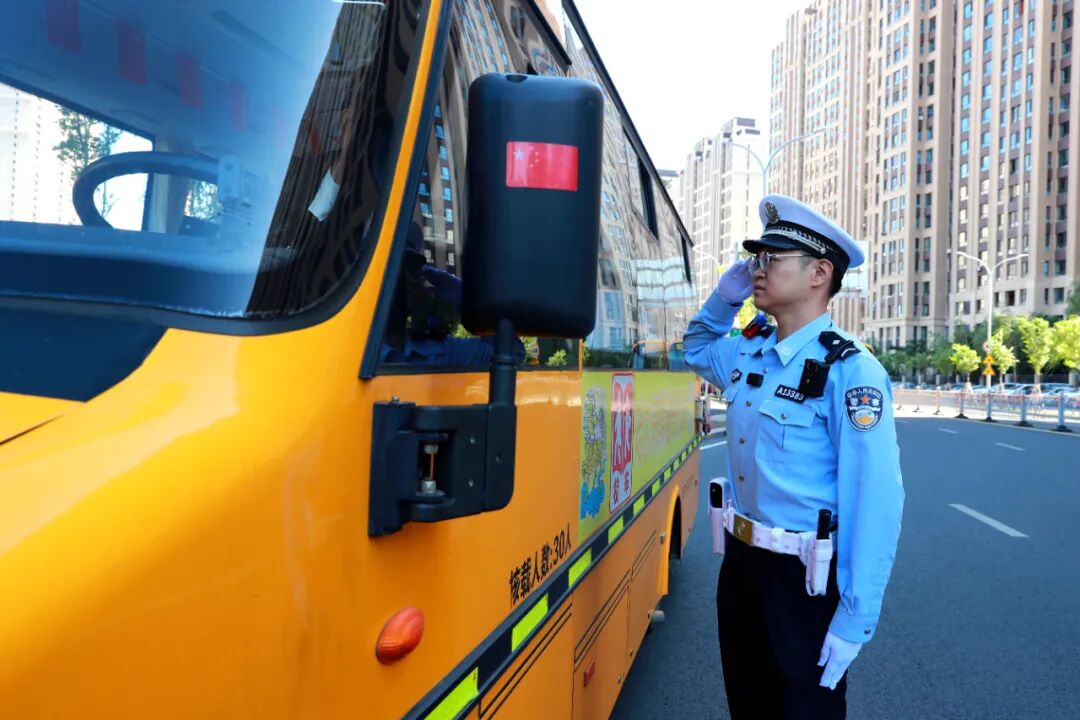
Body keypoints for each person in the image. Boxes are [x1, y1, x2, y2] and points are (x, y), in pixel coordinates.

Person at [684, 194, 904, 719]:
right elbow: (695, 346)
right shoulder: (749, 348)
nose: (756, 270)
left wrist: (855, 617)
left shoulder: (850, 371)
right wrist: (723, 297)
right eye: (755, 260)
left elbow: (875, 501)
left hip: (803, 584)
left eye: (770, 259)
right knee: (749, 707)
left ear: (818, 272)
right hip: (741, 568)